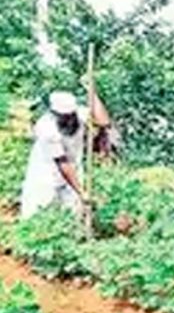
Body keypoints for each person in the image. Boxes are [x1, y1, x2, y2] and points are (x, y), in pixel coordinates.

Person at [19, 91, 112, 219]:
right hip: (46, 178)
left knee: (72, 217)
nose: (69, 119)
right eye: (64, 116)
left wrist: (92, 93)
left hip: (74, 172)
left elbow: (104, 122)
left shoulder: (79, 115)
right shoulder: (46, 128)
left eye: (70, 115)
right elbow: (62, 163)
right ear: (54, 114)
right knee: (38, 216)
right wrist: (82, 192)